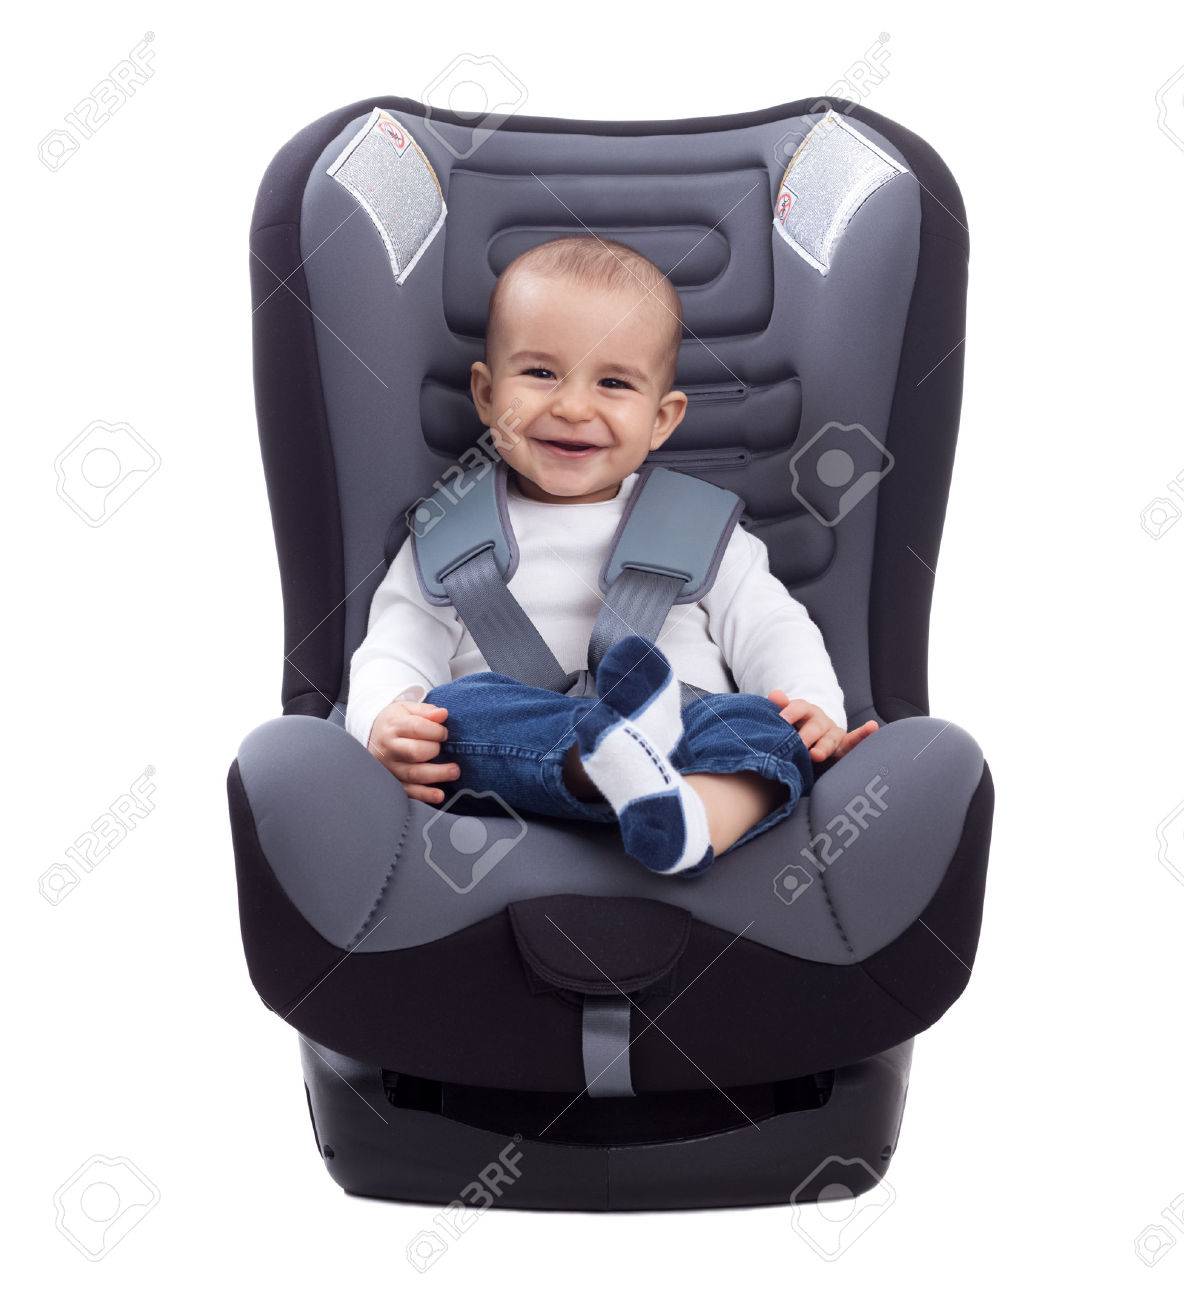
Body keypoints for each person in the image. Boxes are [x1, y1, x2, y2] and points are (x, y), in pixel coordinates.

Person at [345, 236, 877, 876]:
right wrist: (385, 721)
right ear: (485, 394)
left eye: (615, 383)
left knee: (764, 728)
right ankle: (600, 761)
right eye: (540, 374)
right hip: (521, 760)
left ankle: (691, 821)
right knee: (457, 713)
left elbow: (772, 628)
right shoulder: (448, 531)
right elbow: (395, 645)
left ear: (662, 418)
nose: (573, 407)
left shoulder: (702, 528)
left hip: (686, 738)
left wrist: (815, 709)